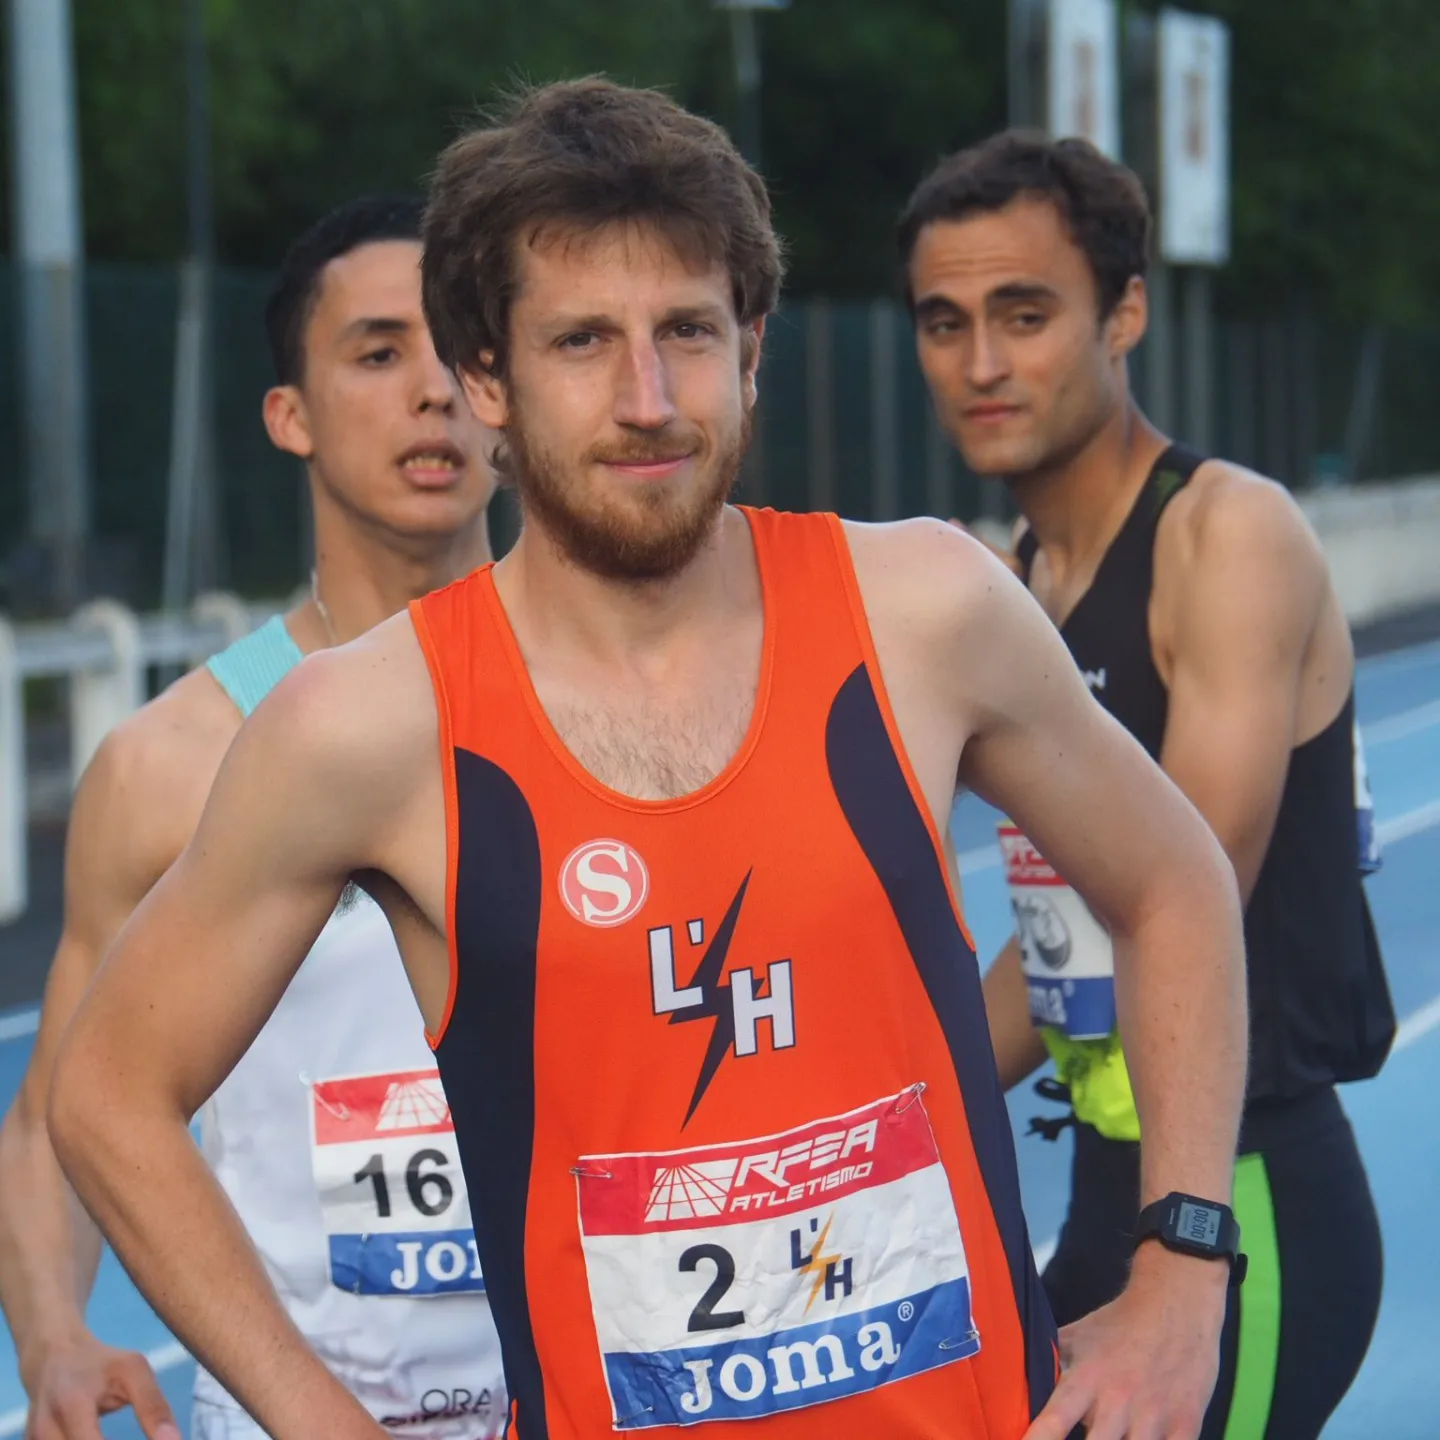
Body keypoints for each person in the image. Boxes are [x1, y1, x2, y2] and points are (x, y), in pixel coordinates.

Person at [49, 81, 1250, 1440]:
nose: (648, 399)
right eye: (583, 342)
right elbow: (104, 1093)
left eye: (687, 330)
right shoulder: (365, 726)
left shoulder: (928, 611)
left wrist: (1184, 1265)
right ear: (487, 379)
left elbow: (1175, 883)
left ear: (752, 347)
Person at [900, 131, 1395, 1439]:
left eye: (1025, 315)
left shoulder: (1226, 536)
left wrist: (916, 1074)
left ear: (1124, 314)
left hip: (1242, 1199)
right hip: (1099, 1184)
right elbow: (1056, 938)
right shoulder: (1015, 580)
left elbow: (1179, 892)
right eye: (945, 323)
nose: (982, 364)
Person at [0, 196, 508, 1440]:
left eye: (461, 349)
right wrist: (53, 1333)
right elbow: (61, 1106)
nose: (431, 390)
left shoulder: (613, 708)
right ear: (291, 416)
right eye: (379, 353)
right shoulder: (169, 765)